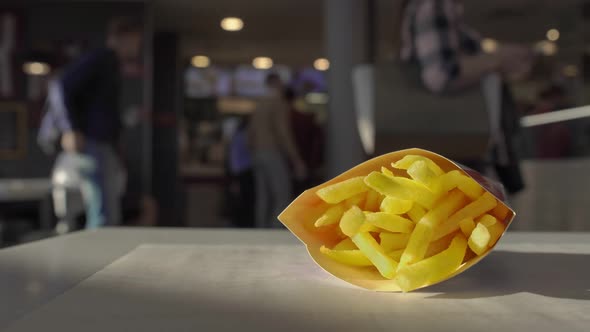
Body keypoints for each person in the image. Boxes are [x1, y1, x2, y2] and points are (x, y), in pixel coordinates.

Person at [399, 0, 531, 193]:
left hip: (449, 153)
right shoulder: (436, 5)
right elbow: (442, 75)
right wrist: (498, 58)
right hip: (454, 154)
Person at [56, 17, 142, 227]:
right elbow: (61, 85)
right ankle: (98, 261)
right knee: (104, 212)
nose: (137, 47)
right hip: (92, 143)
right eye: (135, 41)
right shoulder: (101, 59)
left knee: (107, 210)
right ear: (122, 38)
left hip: (103, 143)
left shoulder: (111, 64)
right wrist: (70, 128)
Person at [248, 73, 307, 228]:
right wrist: (296, 159)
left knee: (263, 196)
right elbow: (283, 132)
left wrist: (253, 151)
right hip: (272, 151)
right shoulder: (278, 103)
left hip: (258, 153)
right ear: (277, 83)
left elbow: (251, 132)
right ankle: (275, 231)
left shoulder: (259, 104)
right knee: (282, 194)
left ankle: (261, 229)